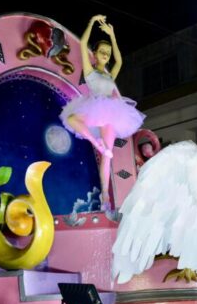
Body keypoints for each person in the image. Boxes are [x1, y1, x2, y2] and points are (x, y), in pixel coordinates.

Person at [60, 15, 145, 216]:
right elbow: (82, 44)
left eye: (108, 53)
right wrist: (91, 23)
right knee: (72, 119)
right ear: (95, 55)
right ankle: (95, 143)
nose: (106, 55)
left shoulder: (109, 75)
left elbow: (120, 61)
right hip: (95, 108)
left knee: (108, 156)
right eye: (102, 52)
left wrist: (113, 35)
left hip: (112, 112)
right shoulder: (90, 72)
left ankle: (105, 196)